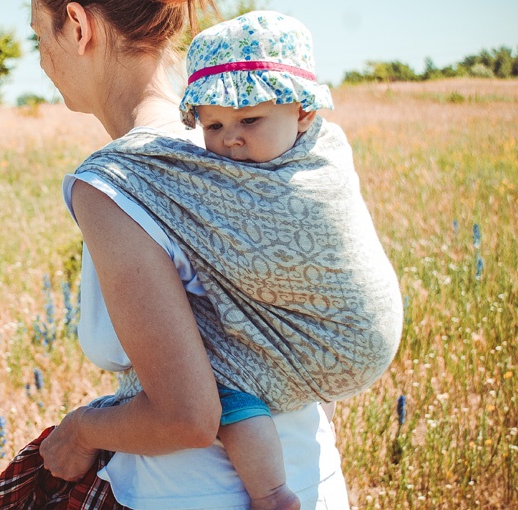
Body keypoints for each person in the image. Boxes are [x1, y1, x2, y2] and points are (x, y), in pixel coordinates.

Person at [0, 1, 401, 509]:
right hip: (317, 484)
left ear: (76, 24)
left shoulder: (124, 181)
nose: (43, 61)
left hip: (191, 495)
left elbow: (186, 416)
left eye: (38, 38)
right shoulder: (264, 135)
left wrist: (79, 432)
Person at [170, 10, 403, 510]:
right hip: (360, 337)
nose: (230, 138)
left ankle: (272, 491)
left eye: (249, 119)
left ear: (303, 113)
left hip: (340, 336)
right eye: (213, 124)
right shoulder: (296, 151)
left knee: (221, 379)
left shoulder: (317, 169)